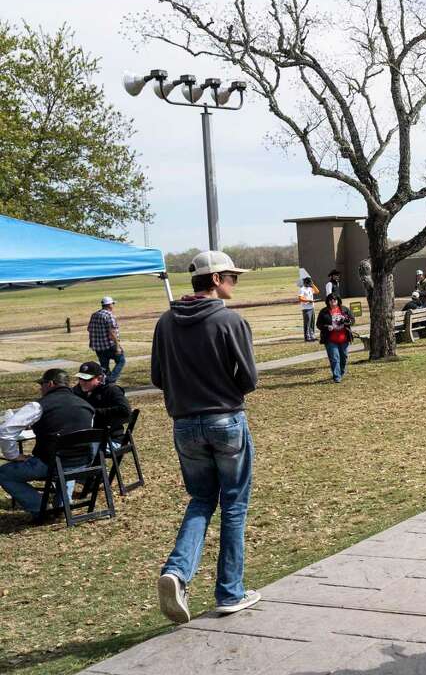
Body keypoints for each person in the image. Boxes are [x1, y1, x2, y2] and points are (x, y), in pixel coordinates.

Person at [151, 250, 259, 622]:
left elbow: (156, 377)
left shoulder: (165, 322)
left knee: (200, 500)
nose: (235, 282)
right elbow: (249, 379)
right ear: (215, 280)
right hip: (225, 420)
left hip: (184, 424)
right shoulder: (229, 320)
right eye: (231, 276)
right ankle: (230, 590)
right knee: (234, 505)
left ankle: (177, 573)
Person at [0, 368, 95, 518]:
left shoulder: (39, 405)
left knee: (4, 473)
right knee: (66, 459)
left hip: (52, 464)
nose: (40, 388)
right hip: (81, 462)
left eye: (42, 384)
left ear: (50, 384)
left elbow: (5, 430)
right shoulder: (86, 405)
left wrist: (13, 455)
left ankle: (40, 508)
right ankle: (63, 503)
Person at [72, 361, 131, 446]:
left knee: (82, 451)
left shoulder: (111, 390)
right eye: (80, 378)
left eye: (87, 379)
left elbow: (125, 411)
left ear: (99, 378)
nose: (82, 382)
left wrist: (93, 412)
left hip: (111, 439)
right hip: (85, 438)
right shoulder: (76, 391)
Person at [317, 294, 355, 382]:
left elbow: (352, 320)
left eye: (334, 299)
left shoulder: (344, 309)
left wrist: (348, 322)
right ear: (328, 301)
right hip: (330, 340)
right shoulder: (324, 311)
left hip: (344, 338)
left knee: (344, 357)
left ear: (338, 300)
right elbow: (318, 324)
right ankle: (337, 377)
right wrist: (327, 327)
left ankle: (341, 373)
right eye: (330, 300)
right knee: (334, 358)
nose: (332, 301)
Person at [88, 296, 125, 383]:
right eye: (112, 304)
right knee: (121, 361)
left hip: (98, 347)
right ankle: (111, 380)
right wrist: (118, 347)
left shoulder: (94, 315)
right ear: (109, 305)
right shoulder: (109, 315)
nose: (113, 306)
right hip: (109, 345)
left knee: (104, 366)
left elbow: (90, 329)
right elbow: (112, 332)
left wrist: (92, 343)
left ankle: (104, 382)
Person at [298, 277, 319, 341]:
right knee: (307, 323)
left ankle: (312, 336)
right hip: (306, 308)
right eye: (309, 283)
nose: (310, 284)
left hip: (311, 307)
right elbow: (300, 298)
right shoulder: (302, 289)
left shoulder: (310, 288)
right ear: (305, 283)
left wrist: (313, 285)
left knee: (312, 322)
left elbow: (317, 291)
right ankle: (307, 337)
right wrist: (308, 300)